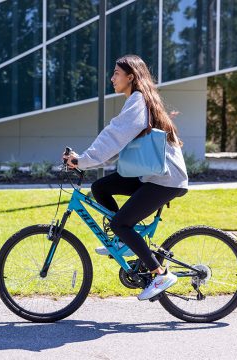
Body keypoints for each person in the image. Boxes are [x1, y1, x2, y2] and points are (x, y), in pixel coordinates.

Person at [62, 54, 188, 301]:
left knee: (121, 223)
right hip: (152, 176)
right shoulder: (139, 101)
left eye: (116, 74)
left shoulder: (138, 101)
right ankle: (123, 242)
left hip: (165, 180)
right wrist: (85, 160)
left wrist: (82, 160)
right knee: (100, 187)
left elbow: (113, 137)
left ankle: (159, 273)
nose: (112, 78)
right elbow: (118, 141)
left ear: (131, 77)